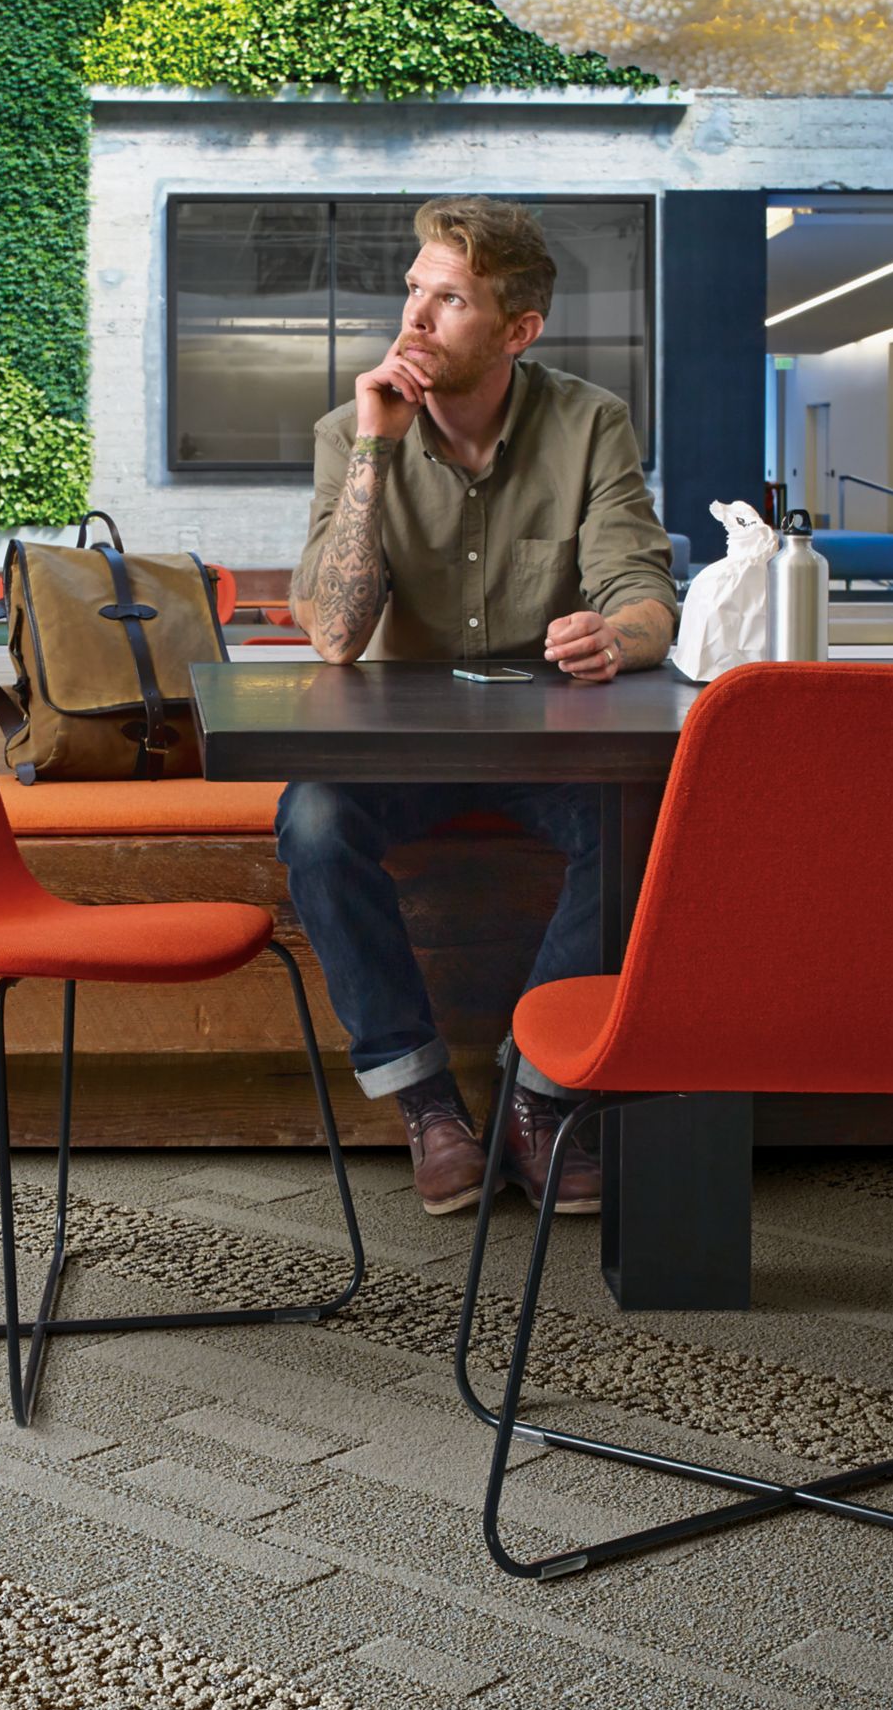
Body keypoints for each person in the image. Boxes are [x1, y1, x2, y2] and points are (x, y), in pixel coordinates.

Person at [283, 197, 678, 1218]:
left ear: (517, 330)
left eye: (448, 298)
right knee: (314, 816)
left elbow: (643, 596)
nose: (413, 317)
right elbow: (333, 633)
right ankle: (424, 1102)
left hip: (550, 741)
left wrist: (615, 636)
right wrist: (375, 446)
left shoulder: (589, 423)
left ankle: (537, 1095)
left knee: (640, 818)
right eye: (413, 289)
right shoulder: (347, 429)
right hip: (397, 748)